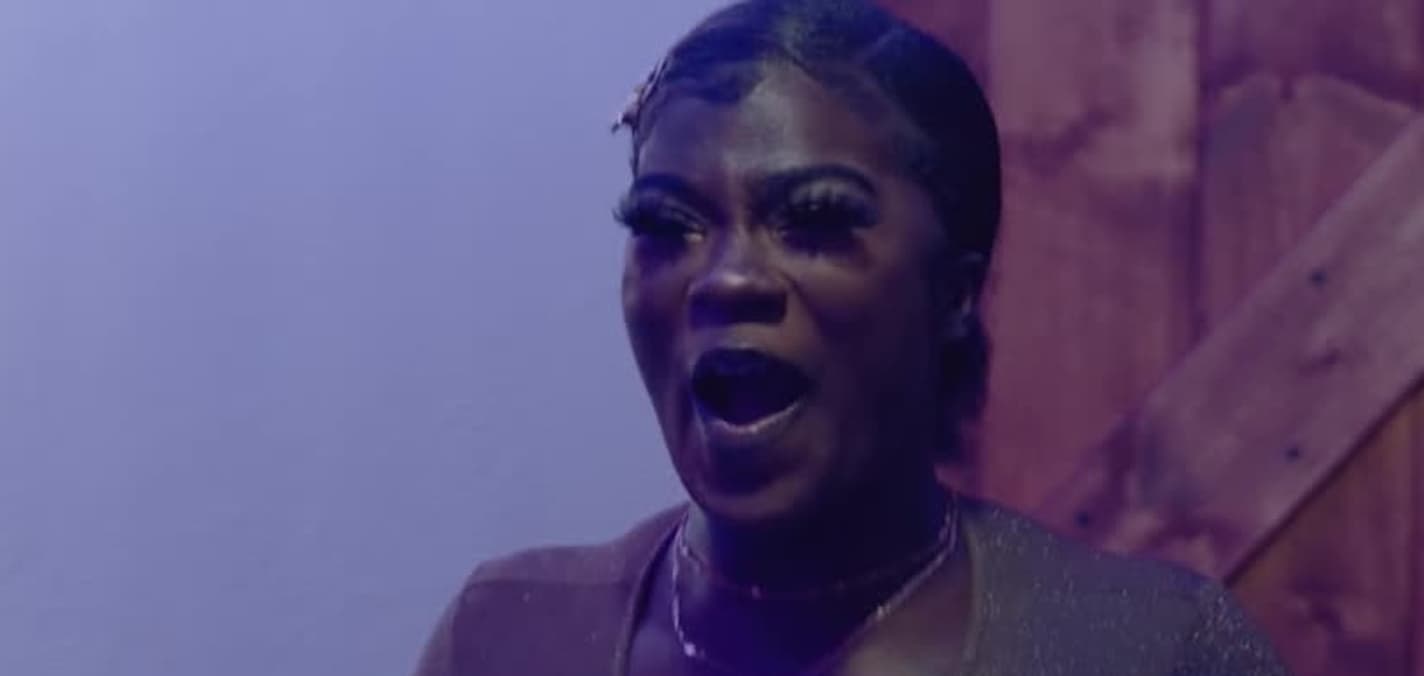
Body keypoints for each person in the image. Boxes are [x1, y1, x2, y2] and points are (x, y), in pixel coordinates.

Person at [415, 1, 1291, 674]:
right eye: (667, 223)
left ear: (955, 290)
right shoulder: (511, 636)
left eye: (813, 219)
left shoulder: (1149, 652)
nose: (727, 278)